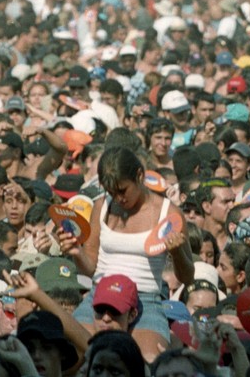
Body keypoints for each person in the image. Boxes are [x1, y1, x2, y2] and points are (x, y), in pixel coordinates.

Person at [64, 146, 193, 360]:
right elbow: (89, 268)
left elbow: (187, 277)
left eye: (122, 190)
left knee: (149, 360)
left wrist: (177, 251)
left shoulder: (168, 212)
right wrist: (76, 252)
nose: (118, 199)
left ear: (140, 176)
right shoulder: (101, 207)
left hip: (145, 300)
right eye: (111, 192)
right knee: (74, 354)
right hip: (100, 297)